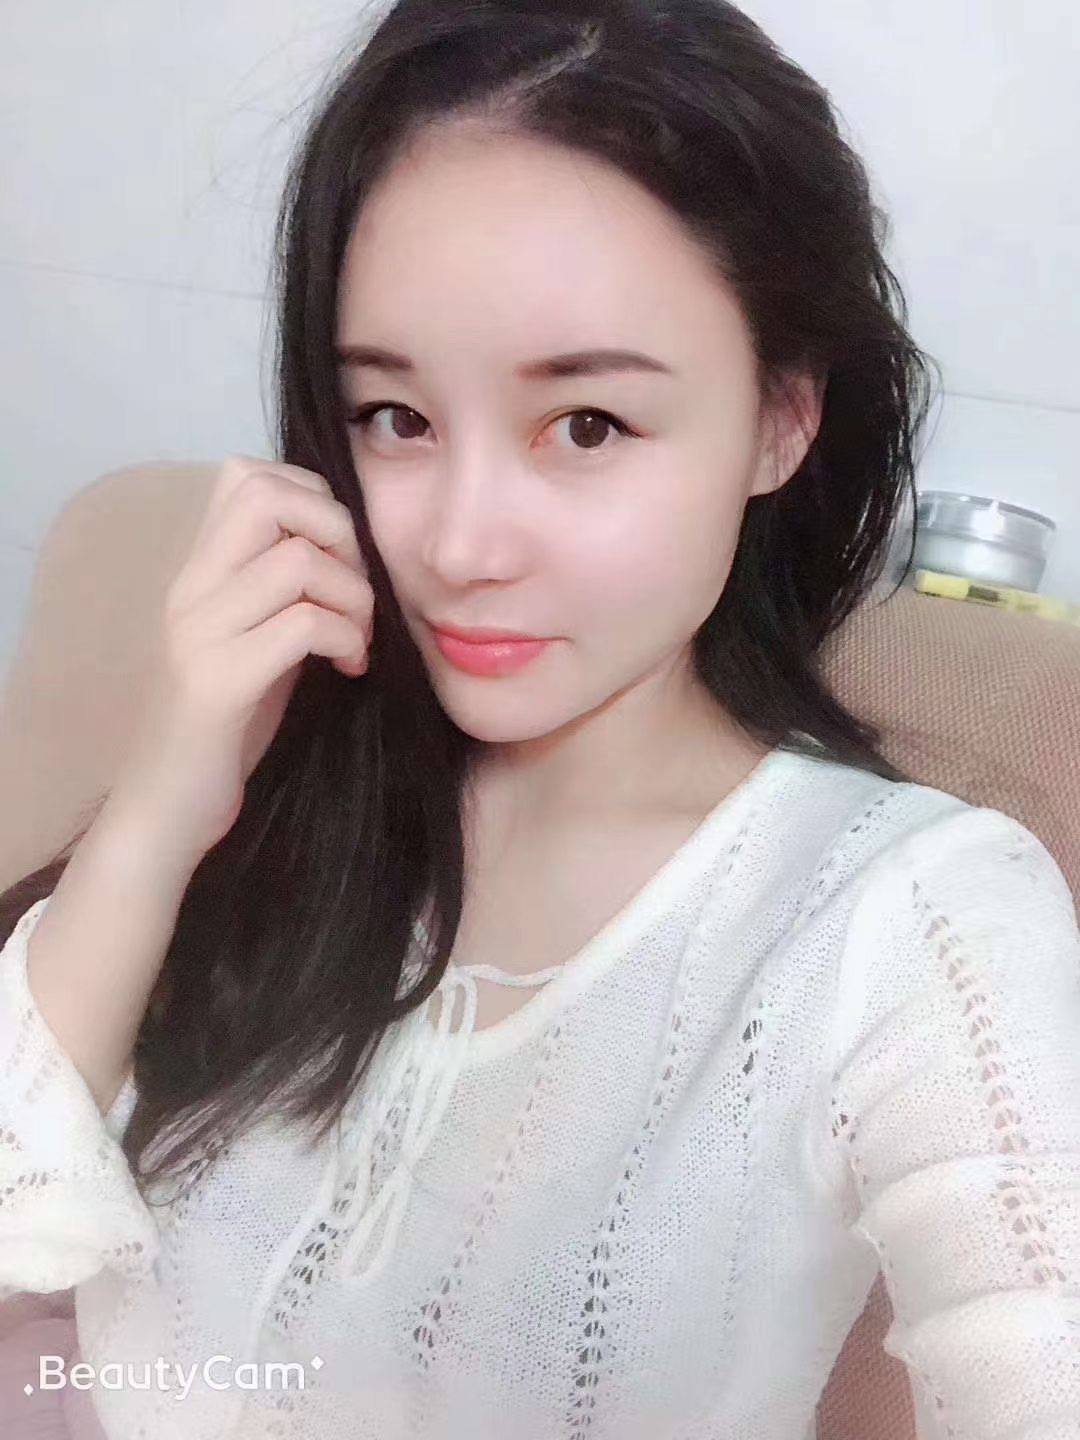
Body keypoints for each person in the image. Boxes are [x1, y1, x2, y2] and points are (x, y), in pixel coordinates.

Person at [1, 1, 1078, 1436]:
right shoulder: (286, 784)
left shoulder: (913, 916)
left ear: (782, 417)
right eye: (395, 416)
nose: (457, 545)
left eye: (586, 426)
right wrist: (160, 810)